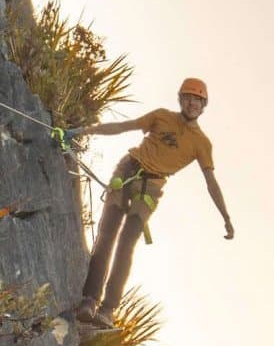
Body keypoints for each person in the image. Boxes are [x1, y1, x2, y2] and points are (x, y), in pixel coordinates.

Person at [65, 77, 231, 327]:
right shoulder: (161, 116)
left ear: (204, 105)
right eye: (188, 97)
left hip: (150, 188)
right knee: (107, 233)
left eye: (197, 100)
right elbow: (124, 126)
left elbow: (211, 182)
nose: (191, 103)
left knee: (127, 243)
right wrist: (82, 131)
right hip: (128, 169)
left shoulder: (202, 143)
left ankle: (108, 309)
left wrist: (226, 217)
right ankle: (89, 300)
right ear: (180, 99)